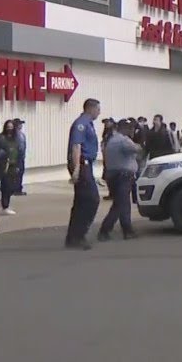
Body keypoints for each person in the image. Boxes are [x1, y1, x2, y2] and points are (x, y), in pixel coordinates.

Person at [66, 98, 103, 250]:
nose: (99, 112)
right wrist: (76, 169)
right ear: (91, 109)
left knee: (81, 201)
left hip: (87, 165)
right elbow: (76, 146)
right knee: (91, 200)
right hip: (82, 165)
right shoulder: (81, 124)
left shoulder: (89, 124)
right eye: (98, 109)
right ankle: (78, 234)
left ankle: (73, 236)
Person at [98, 119, 141, 241]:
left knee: (118, 204)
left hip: (113, 175)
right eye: (131, 128)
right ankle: (124, 230)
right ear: (125, 129)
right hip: (124, 175)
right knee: (123, 204)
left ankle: (108, 230)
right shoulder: (124, 140)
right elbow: (137, 149)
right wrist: (138, 146)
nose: (132, 131)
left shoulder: (111, 139)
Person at [0, 119, 23, 217]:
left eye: (11, 127)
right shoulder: (2, 138)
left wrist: (18, 164)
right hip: (4, 165)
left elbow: (20, 152)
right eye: (8, 127)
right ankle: (5, 206)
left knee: (13, 186)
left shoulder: (16, 139)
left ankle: (4, 203)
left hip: (14, 164)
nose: (9, 129)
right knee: (6, 186)